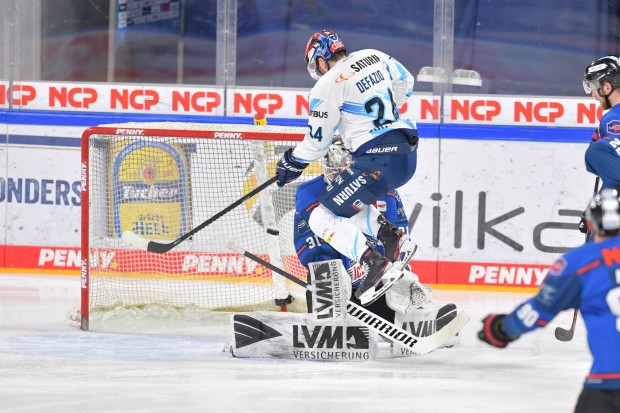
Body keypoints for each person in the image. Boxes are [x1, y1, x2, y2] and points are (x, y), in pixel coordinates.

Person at [276, 29, 419, 299]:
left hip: (378, 160)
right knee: (351, 206)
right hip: (407, 154)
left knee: (321, 216)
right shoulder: (373, 56)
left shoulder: (327, 85)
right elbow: (406, 81)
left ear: (320, 59)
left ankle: (372, 262)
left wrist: (292, 161)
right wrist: (375, 119)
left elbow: (317, 143)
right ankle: (392, 237)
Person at [294, 140, 460, 348]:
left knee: (398, 284)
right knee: (324, 272)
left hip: (374, 285)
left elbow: (399, 236)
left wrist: (394, 272)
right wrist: (334, 273)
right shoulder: (309, 192)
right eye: (334, 171)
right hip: (340, 285)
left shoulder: (383, 190)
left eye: (343, 172)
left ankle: (421, 322)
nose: (337, 178)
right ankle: (329, 329)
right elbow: (308, 242)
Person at [478, 188, 620, 413]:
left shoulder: (581, 262)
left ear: (593, 223)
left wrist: (500, 329)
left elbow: (537, 312)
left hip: (609, 384)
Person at [579, 56, 620, 235]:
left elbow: (616, 176)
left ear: (607, 87)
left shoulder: (613, 119)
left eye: (594, 87)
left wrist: (597, 210)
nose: (593, 94)